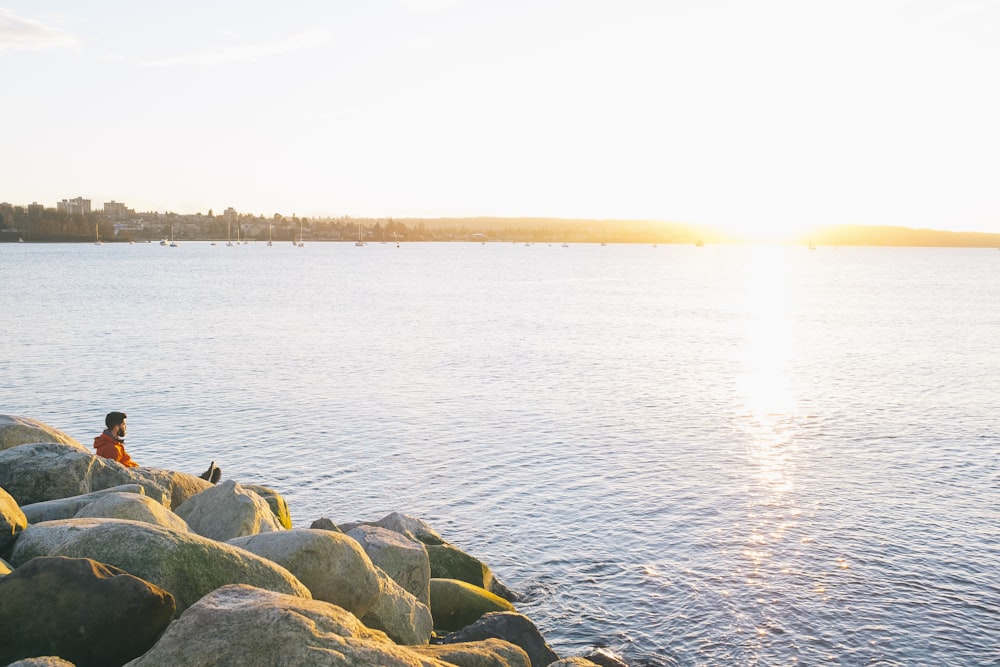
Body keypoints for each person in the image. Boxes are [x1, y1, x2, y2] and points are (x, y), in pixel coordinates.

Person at [94, 411, 221, 483]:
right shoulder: (111, 448)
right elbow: (116, 474)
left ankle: (201, 480)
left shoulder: (112, 444)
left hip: (136, 472)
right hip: (134, 478)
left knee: (168, 475)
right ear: (117, 427)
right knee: (169, 478)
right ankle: (202, 482)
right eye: (123, 425)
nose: (125, 427)